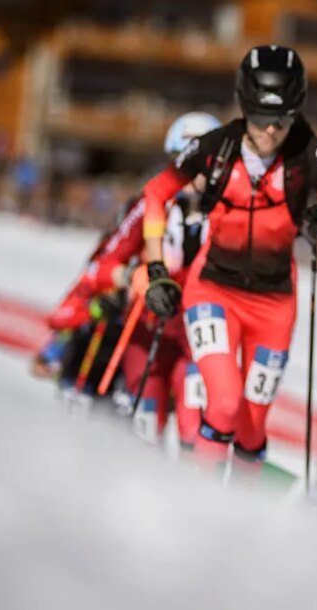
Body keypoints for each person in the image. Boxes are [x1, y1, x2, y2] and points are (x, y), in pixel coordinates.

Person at [140, 45, 317, 467]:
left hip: (274, 307)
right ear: (244, 108)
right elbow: (155, 194)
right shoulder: (218, 146)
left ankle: (244, 520)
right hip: (213, 291)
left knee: (251, 425)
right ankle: (197, 502)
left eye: (281, 121)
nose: (269, 132)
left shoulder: (312, 154)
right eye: (260, 120)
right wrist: (156, 271)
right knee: (224, 403)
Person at [85, 111, 221, 447]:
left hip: (200, 340)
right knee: (143, 431)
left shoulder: (229, 213)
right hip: (148, 333)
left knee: (196, 430)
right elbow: (100, 267)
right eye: (181, 160)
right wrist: (133, 276)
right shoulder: (150, 205)